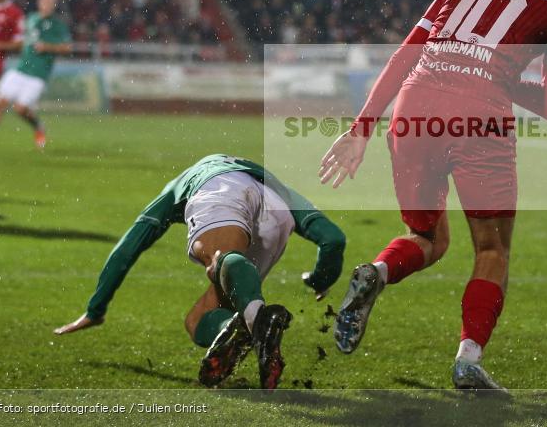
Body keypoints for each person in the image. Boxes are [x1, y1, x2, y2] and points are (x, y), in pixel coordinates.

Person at [319, 0, 547, 390]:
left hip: (415, 104)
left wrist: (360, 128)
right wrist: (497, 74)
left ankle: (378, 271)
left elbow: (408, 50)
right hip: (479, 115)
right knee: (492, 248)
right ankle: (468, 358)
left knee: (427, 238)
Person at [54, 154, 347, 390]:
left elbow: (127, 249)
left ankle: (258, 323)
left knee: (220, 260)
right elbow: (333, 239)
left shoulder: (188, 180)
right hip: (277, 212)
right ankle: (242, 326)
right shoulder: (276, 185)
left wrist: (96, 309)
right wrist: (321, 279)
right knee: (198, 320)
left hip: (219, 190)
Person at [0, 0, 71, 150]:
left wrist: (48, 47)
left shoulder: (58, 25)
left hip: (38, 74)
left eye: (50, 2)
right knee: (0, 102)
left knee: (20, 109)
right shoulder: (30, 19)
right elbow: (20, 41)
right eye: (44, 1)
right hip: (21, 69)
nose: (46, 5)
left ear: (54, 5)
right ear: (39, 2)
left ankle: (38, 125)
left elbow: (67, 48)